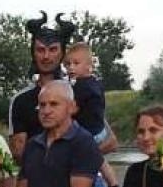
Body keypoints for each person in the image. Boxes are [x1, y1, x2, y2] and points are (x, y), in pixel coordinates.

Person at [7, 14, 115, 162]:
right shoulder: (21, 100)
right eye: (40, 50)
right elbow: (19, 153)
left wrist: (74, 161)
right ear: (33, 53)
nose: (46, 56)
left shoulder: (80, 90)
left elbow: (110, 142)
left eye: (52, 50)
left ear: (62, 52)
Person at [63, 42, 122, 187]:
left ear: (89, 66)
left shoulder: (80, 87)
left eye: (76, 63)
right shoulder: (96, 83)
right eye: (68, 64)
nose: (71, 67)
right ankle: (113, 186)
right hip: (100, 129)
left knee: (93, 161)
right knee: (99, 161)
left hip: (90, 132)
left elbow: (73, 108)